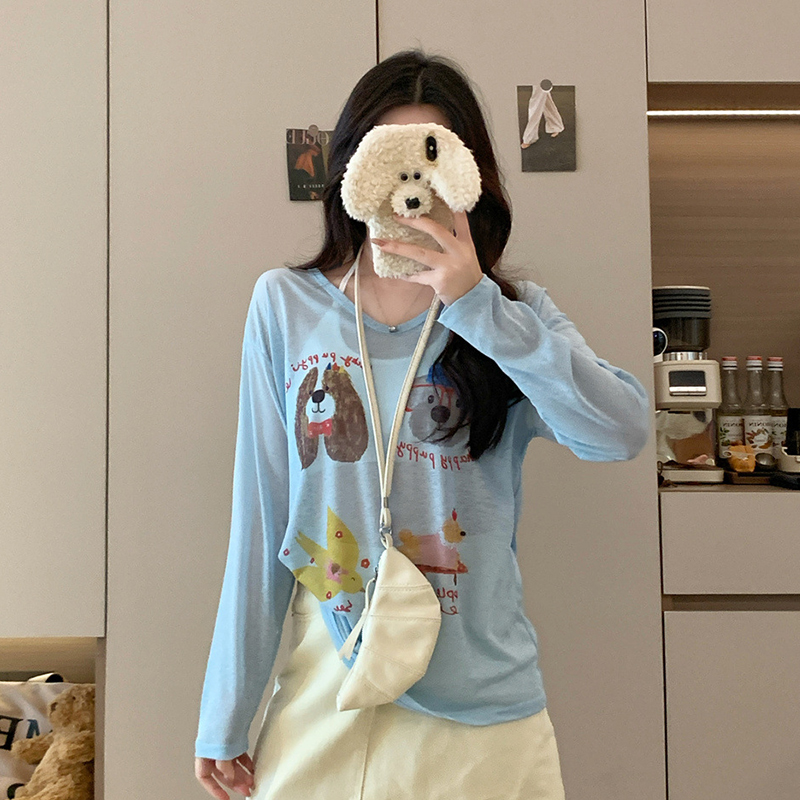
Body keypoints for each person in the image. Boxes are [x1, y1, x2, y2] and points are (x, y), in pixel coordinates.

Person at [194, 49, 650, 800]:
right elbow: (263, 517)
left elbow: (620, 431)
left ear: (469, 178)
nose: (409, 190)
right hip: (329, 688)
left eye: (433, 159)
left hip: (482, 713)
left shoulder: (513, 317)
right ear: (352, 171)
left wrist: (476, 305)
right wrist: (227, 708)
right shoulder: (287, 306)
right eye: (388, 158)